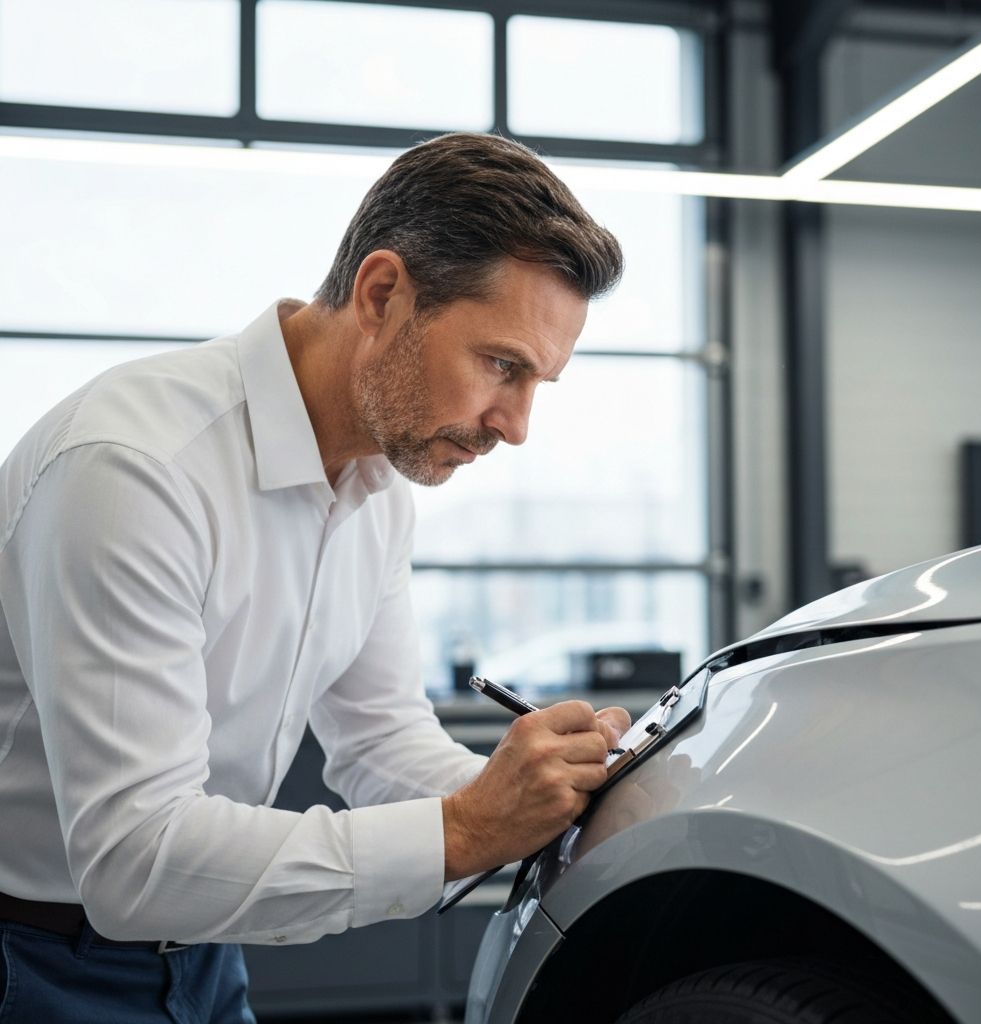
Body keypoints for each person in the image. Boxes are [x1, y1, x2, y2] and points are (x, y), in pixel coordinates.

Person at [0, 132, 628, 1022]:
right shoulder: (135, 468)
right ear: (382, 295)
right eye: (501, 365)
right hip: (30, 960)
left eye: (539, 383)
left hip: (204, 952)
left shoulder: (378, 487)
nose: (516, 425)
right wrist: (465, 830)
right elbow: (134, 860)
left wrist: (541, 799)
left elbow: (381, 742)